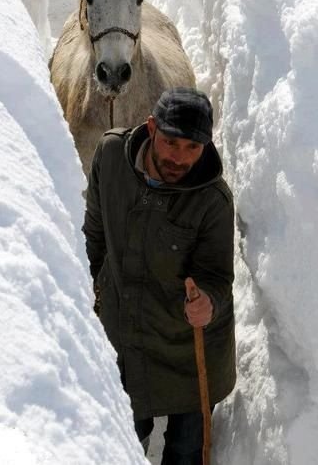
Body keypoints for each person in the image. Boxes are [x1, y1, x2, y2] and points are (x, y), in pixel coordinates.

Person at [83, 87, 236, 464]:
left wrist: (208, 302)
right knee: (122, 446)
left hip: (189, 347)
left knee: (185, 453)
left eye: (192, 148)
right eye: (171, 143)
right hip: (126, 336)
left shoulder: (213, 200)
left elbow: (217, 276)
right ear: (151, 128)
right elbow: (93, 236)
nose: (179, 158)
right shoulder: (111, 155)